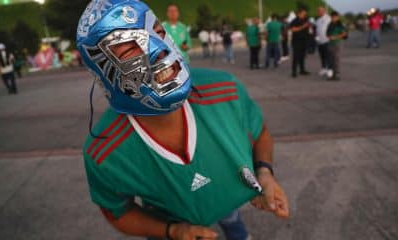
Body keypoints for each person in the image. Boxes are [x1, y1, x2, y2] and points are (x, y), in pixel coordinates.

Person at [77, 1, 289, 240]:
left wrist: (264, 174)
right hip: (169, 220)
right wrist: (172, 230)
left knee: (232, 220)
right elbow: (117, 211)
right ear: (103, 73)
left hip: (228, 199)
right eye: (129, 51)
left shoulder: (225, 89)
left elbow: (259, 131)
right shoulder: (105, 154)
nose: (159, 49)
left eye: (157, 32)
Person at [289, 8, 311, 78]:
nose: (304, 15)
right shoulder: (295, 21)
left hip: (304, 41)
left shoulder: (305, 20)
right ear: (299, 14)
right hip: (297, 41)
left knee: (302, 56)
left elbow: (308, 29)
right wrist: (303, 26)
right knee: (296, 56)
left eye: (305, 14)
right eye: (303, 14)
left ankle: (302, 70)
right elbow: (293, 29)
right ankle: (294, 71)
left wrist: (310, 28)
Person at [327, 11, 348, 81]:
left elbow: (344, 34)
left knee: (336, 59)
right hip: (330, 43)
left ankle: (337, 74)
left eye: (334, 17)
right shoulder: (330, 24)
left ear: (337, 17)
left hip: (337, 43)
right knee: (331, 59)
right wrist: (329, 36)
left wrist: (336, 37)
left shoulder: (340, 24)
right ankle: (332, 74)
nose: (333, 18)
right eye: (332, 17)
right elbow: (327, 33)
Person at [315, 6, 332, 77]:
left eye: (320, 10)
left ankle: (330, 69)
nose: (319, 12)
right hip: (320, 41)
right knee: (322, 56)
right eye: (318, 11)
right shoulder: (318, 20)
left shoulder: (328, 19)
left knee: (328, 56)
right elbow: (317, 29)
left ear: (324, 11)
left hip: (327, 40)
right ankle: (324, 68)